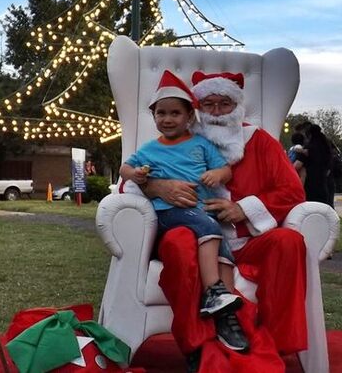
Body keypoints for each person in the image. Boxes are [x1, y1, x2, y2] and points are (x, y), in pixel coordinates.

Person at [142, 71, 307, 371]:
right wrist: (157, 186)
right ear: (197, 109)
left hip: (247, 241)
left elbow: (292, 190)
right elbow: (131, 181)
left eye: (225, 104)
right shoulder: (175, 141)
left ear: (238, 107)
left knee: (289, 240)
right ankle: (198, 343)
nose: (216, 113)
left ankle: (278, 341)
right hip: (193, 240)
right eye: (208, 104)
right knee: (178, 242)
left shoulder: (261, 142)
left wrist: (244, 209)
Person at [119, 70, 249, 353]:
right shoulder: (150, 149)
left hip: (200, 211)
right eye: (161, 113)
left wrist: (217, 174)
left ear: (190, 116)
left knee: (224, 253)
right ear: (154, 117)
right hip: (169, 212)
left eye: (175, 113)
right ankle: (213, 291)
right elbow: (124, 169)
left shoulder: (200, 144)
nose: (167, 119)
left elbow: (226, 169)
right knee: (210, 229)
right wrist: (140, 176)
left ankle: (226, 312)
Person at [295, 123, 331, 203]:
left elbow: (297, 165)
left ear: (309, 134)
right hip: (323, 185)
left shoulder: (307, 149)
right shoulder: (326, 148)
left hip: (310, 186)